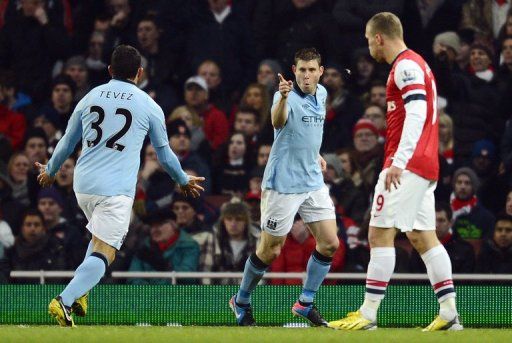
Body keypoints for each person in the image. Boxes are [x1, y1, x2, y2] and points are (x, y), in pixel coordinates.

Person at [35, 45, 205, 327]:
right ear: (139, 73)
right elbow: (163, 152)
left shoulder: (90, 96)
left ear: (110, 71)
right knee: (107, 251)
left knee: (97, 241)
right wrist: (183, 180)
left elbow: (67, 140)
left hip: (83, 186)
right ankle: (64, 300)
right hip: (115, 191)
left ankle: (81, 294)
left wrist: (51, 170)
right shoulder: (148, 104)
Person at [329, 13, 462, 332]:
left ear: (378, 38)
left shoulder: (404, 66)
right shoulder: (419, 64)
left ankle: (368, 313)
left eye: (367, 38)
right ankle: (449, 314)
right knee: (422, 236)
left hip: (408, 164)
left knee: (379, 233)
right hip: (426, 163)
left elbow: (417, 113)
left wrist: (399, 162)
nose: (367, 45)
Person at [230, 48, 338, 327]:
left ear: (320, 71)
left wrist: (315, 154)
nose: (306, 74)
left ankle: (305, 302)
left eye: (312, 69)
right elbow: (278, 122)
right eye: (302, 69)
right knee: (270, 250)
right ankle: (241, 300)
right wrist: (284, 98)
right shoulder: (283, 95)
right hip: (283, 184)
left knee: (329, 243)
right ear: (294, 70)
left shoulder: (322, 94)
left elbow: (310, 132)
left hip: (312, 179)